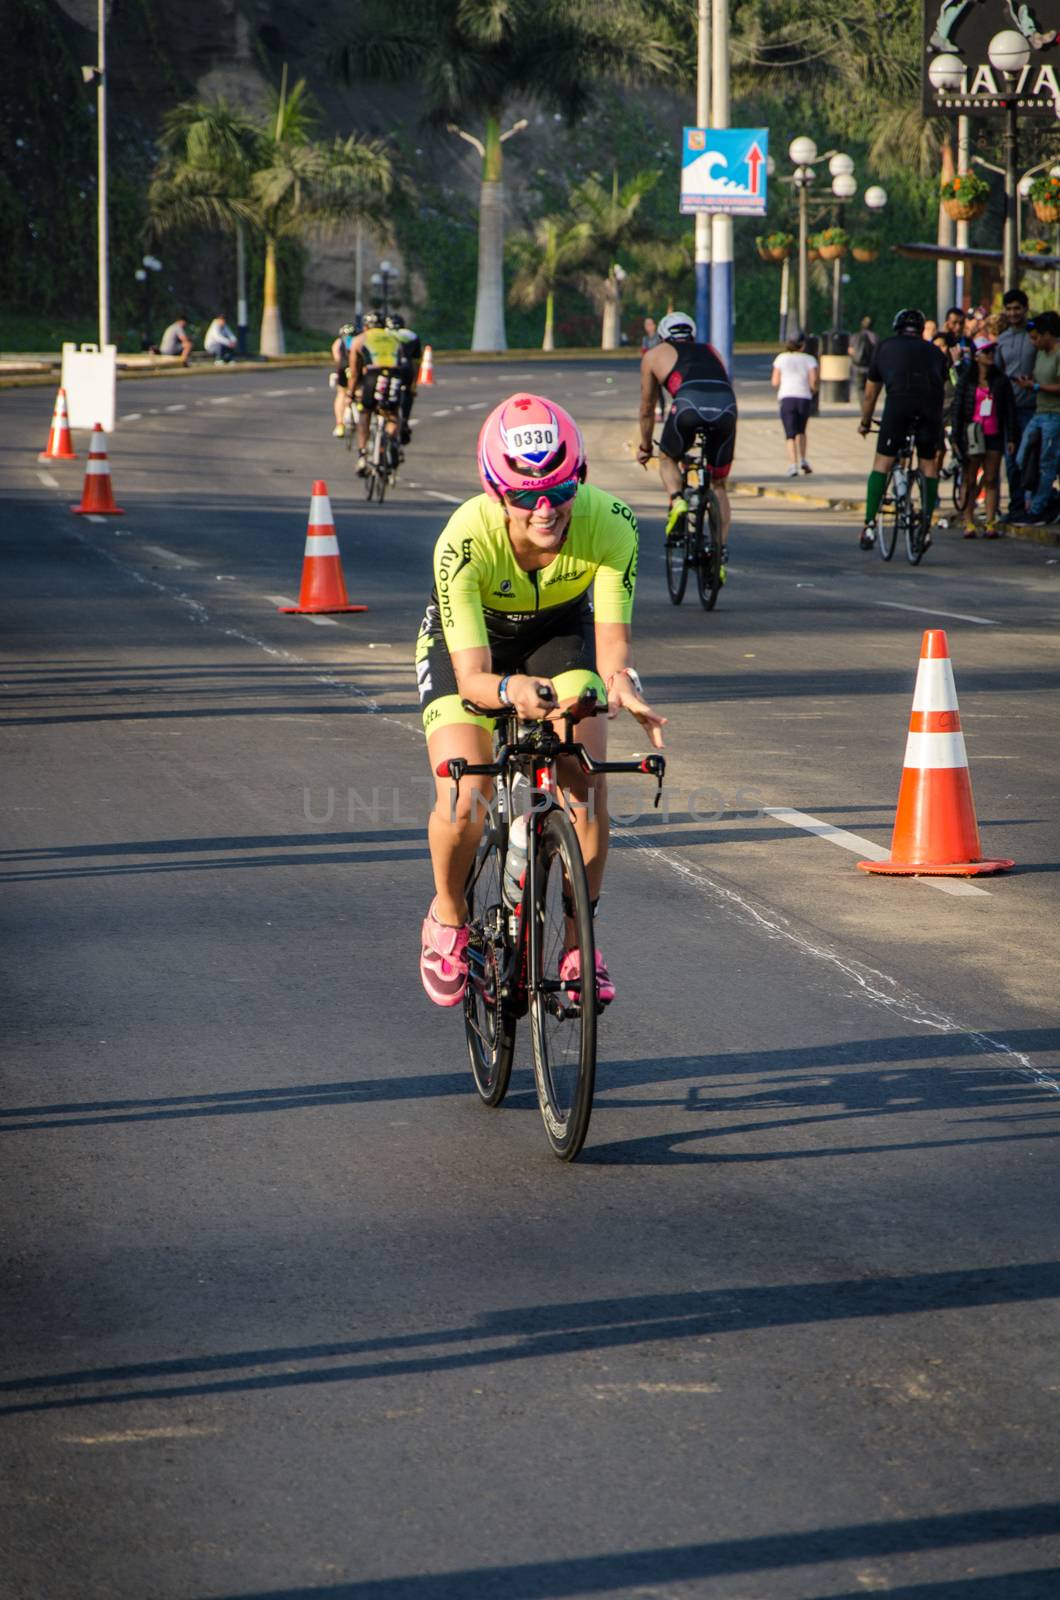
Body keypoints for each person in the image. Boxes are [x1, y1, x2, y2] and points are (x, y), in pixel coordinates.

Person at [415, 393, 666, 1008]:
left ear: (579, 477)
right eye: (527, 496)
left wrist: (623, 686)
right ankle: (447, 917)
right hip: (473, 648)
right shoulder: (464, 540)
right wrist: (509, 692)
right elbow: (473, 675)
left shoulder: (612, 524)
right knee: (463, 796)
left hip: (558, 633)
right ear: (499, 492)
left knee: (584, 790)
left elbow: (611, 649)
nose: (545, 508)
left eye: (559, 489)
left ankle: (580, 943)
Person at [637, 310, 737, 552]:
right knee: (719, 485)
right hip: (726, 407)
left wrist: (646, 446)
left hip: (688, 406)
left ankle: (677, 499)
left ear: (662, 336)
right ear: (691, 335)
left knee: (668, 458)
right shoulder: (711, 350)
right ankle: (719, 552)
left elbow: (647, 408)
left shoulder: (653, 355)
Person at [857, 306, 949, 550]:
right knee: (928, 464)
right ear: (920, 330)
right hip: (930, 409)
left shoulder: (884, 347)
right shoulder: (936, 352)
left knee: (882, 463)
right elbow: (944, 388)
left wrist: (865, 422)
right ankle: (926, 527)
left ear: (897, 328)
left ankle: (868, 526)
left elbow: (870, 394)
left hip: (899, 405)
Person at [951, 337, 1015, 538]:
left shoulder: (1001, 380)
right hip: (972, 434)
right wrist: (955, 437)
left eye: (992, 352)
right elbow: (958, 409)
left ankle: (990, 521)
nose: (990, 356)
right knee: (970, 479)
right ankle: (968, 521)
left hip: (994, 433)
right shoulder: (966, 381)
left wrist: (1012, 436)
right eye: (986, 352)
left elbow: (1010, 410)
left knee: (991, 478)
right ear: (976, 356)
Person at [348, 310, 413, 474]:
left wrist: (350, 393)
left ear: (365, 326)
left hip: (373, 376)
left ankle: (362, 457)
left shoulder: (360, 339)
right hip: (394, 375)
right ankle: (392, 441)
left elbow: (354, 373)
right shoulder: (394, 338)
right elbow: (402, 361)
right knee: (392, 414)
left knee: (366, 413)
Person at [1014, 310, 1060, 524]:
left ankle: (1039, 508)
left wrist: (1035, 386)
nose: (1033, 343)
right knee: (1023, 457)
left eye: (1036, 338)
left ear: (1047, 334)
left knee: (1046, 463)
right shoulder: (1041, 354)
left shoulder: (1058, 353)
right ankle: (1047, 497)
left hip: (1055, 415)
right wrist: (1029, 381)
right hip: (1039, 412)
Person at [995, 287, 1037, 522]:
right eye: (1009, 309)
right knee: (1011, 461)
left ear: (1025, 309)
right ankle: (1016, 505)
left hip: (1034, 407)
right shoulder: (1002, 340)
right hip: (1009, 410)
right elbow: (999, 375)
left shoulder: (1036, 334)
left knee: (1032, 457)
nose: (1013, 313)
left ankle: (1037, 504)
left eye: (1017, 308)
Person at [771, 333, 819, 476]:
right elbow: (814, 381)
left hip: (787, 398)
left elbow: (774, 382)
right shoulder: (810, 359)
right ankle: (803, 459)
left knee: (790, 434)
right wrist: (812, 389)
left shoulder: (781, 358)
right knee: (801, 431)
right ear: (803, 345)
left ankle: (793, 465)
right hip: (804, 398)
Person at [386, 311, 421, 444]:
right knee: (408, 392)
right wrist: (413, 384)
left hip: (387, 371)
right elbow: (416, 361)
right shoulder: (411, 335)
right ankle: (405, 420)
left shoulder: (383, 334)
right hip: (406, 369)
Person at [330, 321, 357, 437]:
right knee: (359, 390)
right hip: (355, 368)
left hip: (343, 368)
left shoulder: (338, 342)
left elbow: (338, 359)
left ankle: (339, 425)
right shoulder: (359, 340)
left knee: (341, 392)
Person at [849, 314, 879, 394]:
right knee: (870, 389)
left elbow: (851, 351)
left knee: (860, 388)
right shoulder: (875, 337)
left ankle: (863, 405)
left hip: (858, 367)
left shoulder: (856, 336)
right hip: (871, 367)